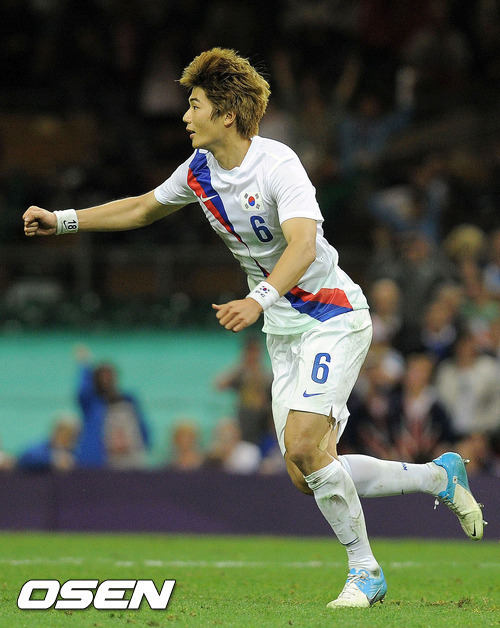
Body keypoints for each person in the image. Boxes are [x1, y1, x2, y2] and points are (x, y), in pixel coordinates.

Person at [23, 48, 485, 609]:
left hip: (331, 316)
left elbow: (304, 244)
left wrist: (257, 299)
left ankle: (366, 572)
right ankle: (438, 477)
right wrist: (63, 220)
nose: (185, 116)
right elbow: (143, 208)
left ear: (226, 115)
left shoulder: (277, 164)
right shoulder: (199, 170)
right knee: (306, 470)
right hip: (284, 332)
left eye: (195, 105)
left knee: (304, 445)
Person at [74, 346, 151, 469]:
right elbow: (82, 392)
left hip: (131, 462)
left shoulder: (129, 401)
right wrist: (85, 365)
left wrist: (145, 447)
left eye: (109, 375)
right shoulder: (92, 404)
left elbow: (142, 428)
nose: (106, 380)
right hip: (100, 464)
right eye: (101, 376)